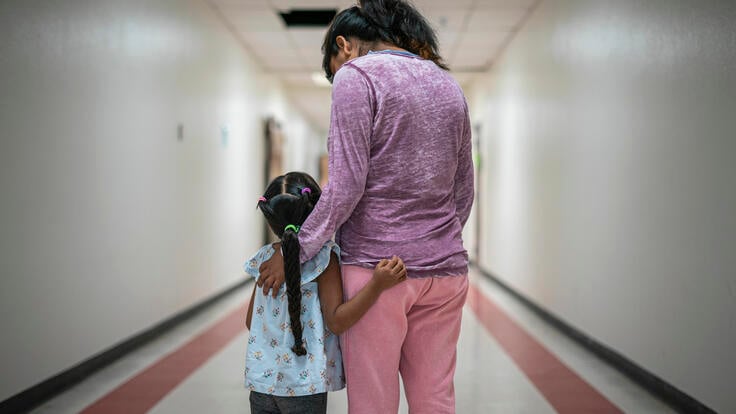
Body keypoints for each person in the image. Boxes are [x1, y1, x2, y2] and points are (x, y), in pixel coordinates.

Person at [258, 1, 474, 412]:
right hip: (446, 272)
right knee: (436, 398)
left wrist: (295, 248)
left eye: (334, 67)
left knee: (374, 402)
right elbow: (463, 191)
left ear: (345, 46)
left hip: (377, 272)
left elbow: (345, 186)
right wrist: (432, 240)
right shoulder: (449, 85)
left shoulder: (356, 76)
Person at [244, 171, 407, 414]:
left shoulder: (265, 259)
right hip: (304, 387)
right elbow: (337, 321)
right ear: (318, 215)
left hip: (261, 385)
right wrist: (377, 285)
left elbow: (251, 322)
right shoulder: (323, 259)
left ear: (270, 221)